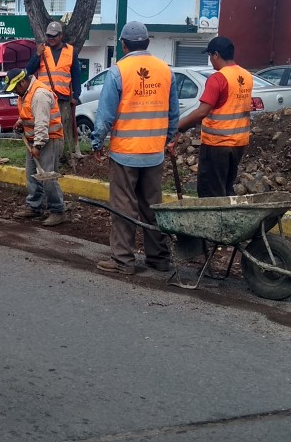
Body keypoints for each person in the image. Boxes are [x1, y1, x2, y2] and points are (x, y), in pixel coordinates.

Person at [90, 22, 179, 275]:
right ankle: (159, 258)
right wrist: (169, 138)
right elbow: (173, 113)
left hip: (125, 153)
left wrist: (97, 142)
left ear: (123, 44)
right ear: (148, 42)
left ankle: (123, 261)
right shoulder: (165, 71)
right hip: (154, 153)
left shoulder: (119, 71)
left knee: (123, 207)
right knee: (153, 207)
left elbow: (105, 114)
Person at [175, 36, 253, 197]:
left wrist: (178, 127)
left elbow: (202, 111)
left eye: (210, 56)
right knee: (226, 188)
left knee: (211, 193)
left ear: (216, 55)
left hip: (218, 145)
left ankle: (213, 222)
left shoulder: (218, 78)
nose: (210, 60)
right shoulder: (246, 76)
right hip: (238, 143)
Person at [5, 67, 66, 226]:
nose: (15, 92)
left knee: (48, 177)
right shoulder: (25, 93)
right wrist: (20, 123)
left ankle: (58, 210)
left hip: (48, 140)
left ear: (23, 82)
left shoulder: (40, 95)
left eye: (15, 88)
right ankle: (34, 206)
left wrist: (37, 146)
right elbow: (29, 113)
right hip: (33, 140)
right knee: (32, 175)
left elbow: (42, 123)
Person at [25, 20, 82, 162]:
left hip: (63, 97)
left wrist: (76, 95)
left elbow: (76, 74)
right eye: (49, 36)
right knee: (44, 126)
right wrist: (37, 55)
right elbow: (29, 71)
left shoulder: (71, 51)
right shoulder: (42, 50)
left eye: (54, 36)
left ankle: (60, 156)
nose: (51, 39)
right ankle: (44, 153)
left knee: (60, 129)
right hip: (44, 97)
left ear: (61, 36)